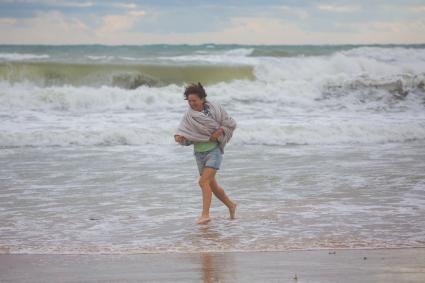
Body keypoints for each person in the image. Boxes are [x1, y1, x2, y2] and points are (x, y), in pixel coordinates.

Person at [174, 83, 237, 224]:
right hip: (199, 154)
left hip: (214, 151)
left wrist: (220, 131)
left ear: (202, 99)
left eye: (194, 100)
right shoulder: (188, 117)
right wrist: (180, 138)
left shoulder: (216, 109)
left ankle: (205, 215)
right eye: (189, 101)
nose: (191, 103)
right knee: (212, 185)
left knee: (203, 182)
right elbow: (185, 135)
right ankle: (231, 205)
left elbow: (230, 123)